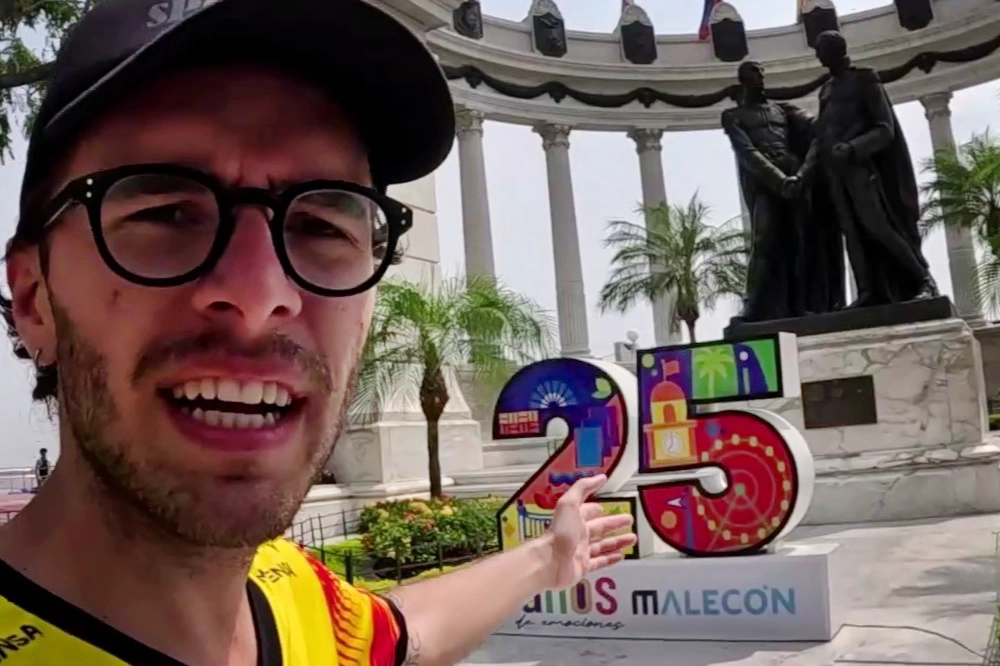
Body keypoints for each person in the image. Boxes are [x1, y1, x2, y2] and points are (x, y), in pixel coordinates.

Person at [0, 0, 637, 664]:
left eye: (321, 226)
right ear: (34, 298)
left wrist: (549, 555)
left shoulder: (292, 595)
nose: (259, 297)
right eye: (167, 213)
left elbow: (406, 635)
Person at [802, 30, 938, 307]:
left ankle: (924, 280)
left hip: (862, 170)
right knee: (852, 234)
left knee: (880, 227)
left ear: (835, 51)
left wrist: (852, 148)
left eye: (821, 49)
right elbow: (823, 134)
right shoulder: (826, 90)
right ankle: (868, 291)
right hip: (834, 174)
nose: (817, 55)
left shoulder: (864, 78)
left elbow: (884, 129)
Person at [722, 60, 844, 322]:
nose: (761, 76)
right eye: (755, 73)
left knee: (801, 241)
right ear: (743, 80)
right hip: (766, 183)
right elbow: (748, 153)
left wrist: (801, 174)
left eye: (762, 72)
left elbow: (816, 130)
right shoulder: (733, 117)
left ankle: (802, 304)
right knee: (763, 240)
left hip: (795, 179)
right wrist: (780, 181)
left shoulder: (783, 111)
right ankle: (753, 305)